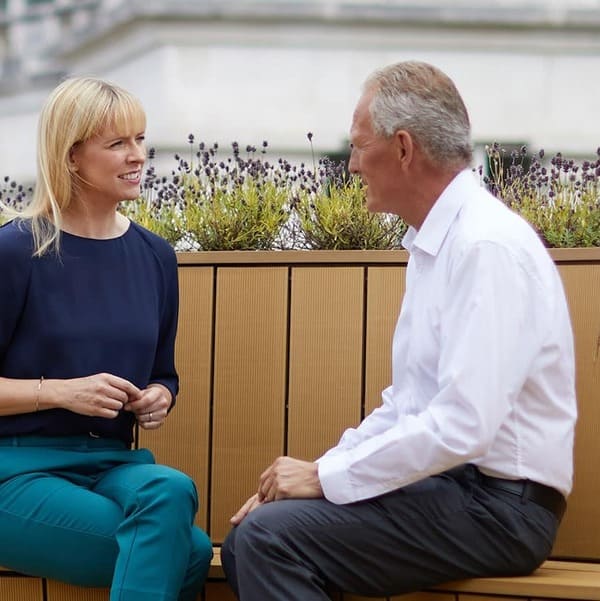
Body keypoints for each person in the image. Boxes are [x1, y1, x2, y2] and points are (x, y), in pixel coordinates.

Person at [221, 60, 577, 600]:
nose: (353, 165)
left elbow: (463, 425)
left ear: (404, 148)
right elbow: (409, 404)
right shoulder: (440, 243)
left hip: (504, 509)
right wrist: (323, 471)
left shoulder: (485, 247)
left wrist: (321, 480)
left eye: (360, 146)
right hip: (457, 489)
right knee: (262, 529)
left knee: (270, 540)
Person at [0, 76, 212, 600]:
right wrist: (59, 392)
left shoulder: (156, 257)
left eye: (140, 139)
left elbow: (163, 372)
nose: (137, 155)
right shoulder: (15, 251)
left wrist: (160, 397)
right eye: (117, 143)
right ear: (72, 157)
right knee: (189, 552)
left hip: (114, 465)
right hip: (15, 470)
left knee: (171, 487)